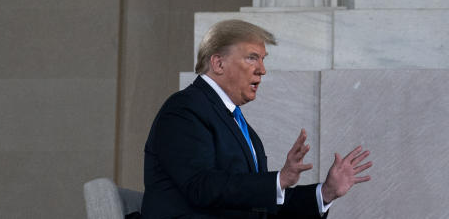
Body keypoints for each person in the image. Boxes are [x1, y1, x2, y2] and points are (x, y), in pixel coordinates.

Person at [141, 20, 371, 218]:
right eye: (252, 58)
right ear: (218, 63)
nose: (262, 70)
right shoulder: (184, 109)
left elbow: (259, 205)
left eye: (263, 59)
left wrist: (325, 192)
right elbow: (201, 187)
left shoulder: (240, 127)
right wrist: (277, 181)